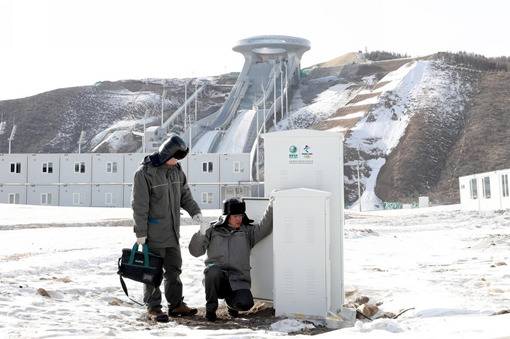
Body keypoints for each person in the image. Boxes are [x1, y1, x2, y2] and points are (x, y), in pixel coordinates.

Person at [132, 134, 208, 323]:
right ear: (167, 153)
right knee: (153, 272)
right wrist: (140, 232)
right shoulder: (145, 173)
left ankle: (176, 305)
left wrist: (195, 212)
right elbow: (139, 206)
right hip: (154, 233)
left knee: (174, 270)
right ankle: (153, 307)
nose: (177, 161)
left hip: (173, 232)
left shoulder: (177, 171)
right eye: (176, 157)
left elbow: (185, 195)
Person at [189, 197, 273, 322]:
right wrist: (201, 233)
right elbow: (195, 252)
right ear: (227, 216)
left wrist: (272, 205)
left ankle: (231, 304)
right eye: (235, 216)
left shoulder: (247, 232)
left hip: (238, 280)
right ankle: (210, 310)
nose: (239, 219)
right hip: (217, 279)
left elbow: (264, 227)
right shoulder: (212, 230)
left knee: (245, 304)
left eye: (240, 216)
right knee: (212, 271)